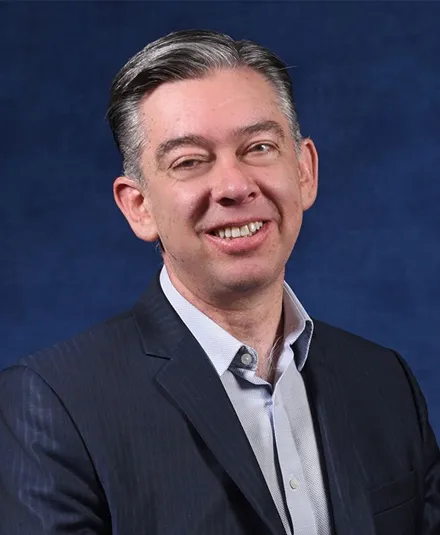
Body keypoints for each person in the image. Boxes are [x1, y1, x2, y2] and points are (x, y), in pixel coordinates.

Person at [0, 29, 439, 535]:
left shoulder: (385, 382)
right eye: (189, 161)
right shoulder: (53, 405)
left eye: (259, 147)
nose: (234, 186)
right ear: (139, 207)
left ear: (304, 172)